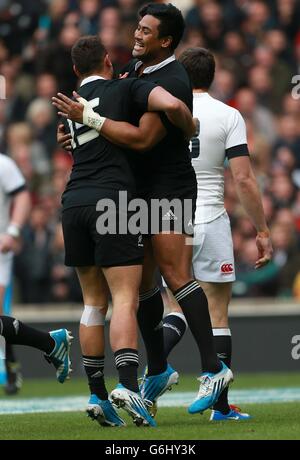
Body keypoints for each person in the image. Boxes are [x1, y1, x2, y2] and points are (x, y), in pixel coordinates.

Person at [57, 3, 233, 417]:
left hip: (167, 188)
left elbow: (140, 140)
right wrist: (80, 138)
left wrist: (90, 119)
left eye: (146, 31)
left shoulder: (172, 77)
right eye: (137, 27)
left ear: (166, 41)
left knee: (175, 275)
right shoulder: (136, 74)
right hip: (137, 191)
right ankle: (158, 368)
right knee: (142, 285)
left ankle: (214, 369)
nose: (136, 35)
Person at [161, 47, 273, 421]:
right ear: (213, 76)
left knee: (174, 307)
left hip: (172, 218)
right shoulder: (228, 115)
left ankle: (150, 375)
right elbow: (242, 177)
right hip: (210, 215)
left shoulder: (163, 110)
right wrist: (261, 229)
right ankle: (220, 406)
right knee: (218, 314)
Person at [0, 153, 72, 393]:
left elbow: (21, 196)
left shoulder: (3, 163)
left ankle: (44, 347)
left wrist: (12, 230)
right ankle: (50, 343)